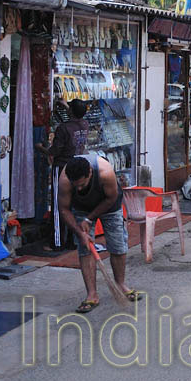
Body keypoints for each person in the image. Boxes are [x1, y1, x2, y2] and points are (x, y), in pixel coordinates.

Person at [58, 153, 136, 313]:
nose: (79, 188)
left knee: (118, 244)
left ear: (90, 174)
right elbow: (64, 209)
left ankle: (120, 284)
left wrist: (89, 219)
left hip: (109, 204)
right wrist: (80, 232)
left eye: (82, 184)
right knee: (84, 248)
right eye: (76, 186)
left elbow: (111, 198)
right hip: (80, 207)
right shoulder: (65, 180)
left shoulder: (105, 172)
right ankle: (91, 294)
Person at [37, 99, 89, 250]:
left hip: (61, 168)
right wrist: (68, 106)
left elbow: (54, 152)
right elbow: (77, 115)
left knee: (58, 204)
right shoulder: (84, 124)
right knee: (73, 204)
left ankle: (57, 242)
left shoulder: (63, 128)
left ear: (70, 111)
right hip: (76, 166)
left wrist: (40, 148)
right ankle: (72, 240)